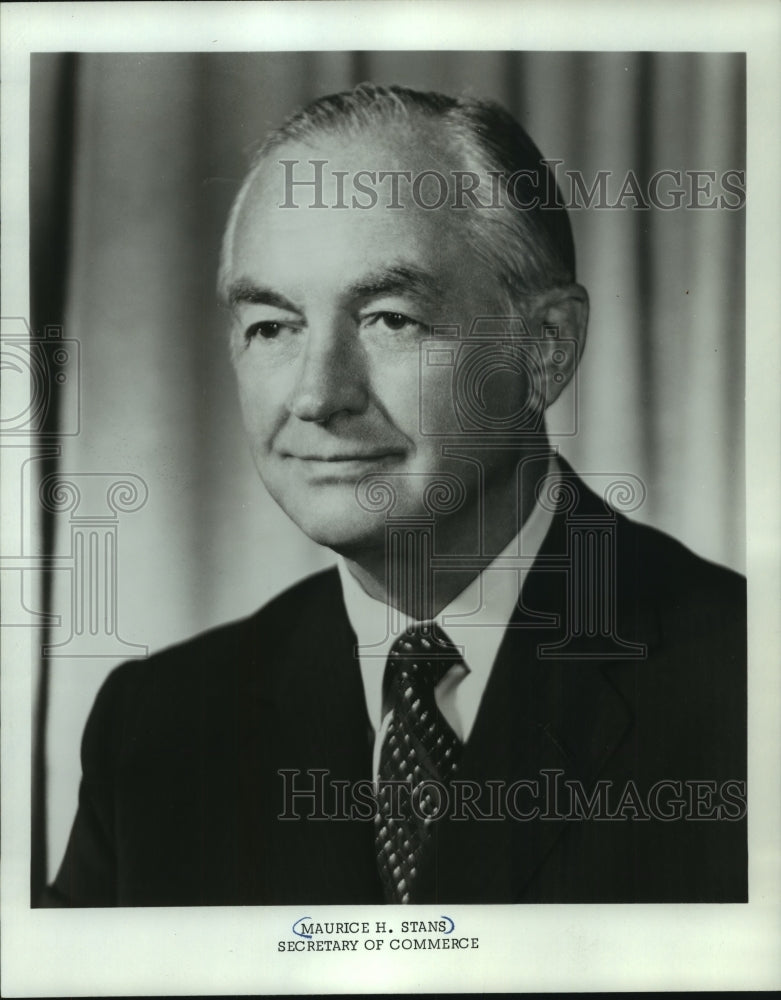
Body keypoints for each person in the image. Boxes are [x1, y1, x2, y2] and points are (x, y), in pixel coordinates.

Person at [45, 84, 746, 906]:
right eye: (272, 326)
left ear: (545, 350)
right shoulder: (160, 729)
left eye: (388, 318)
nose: (316, 396)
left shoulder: (743, 687)